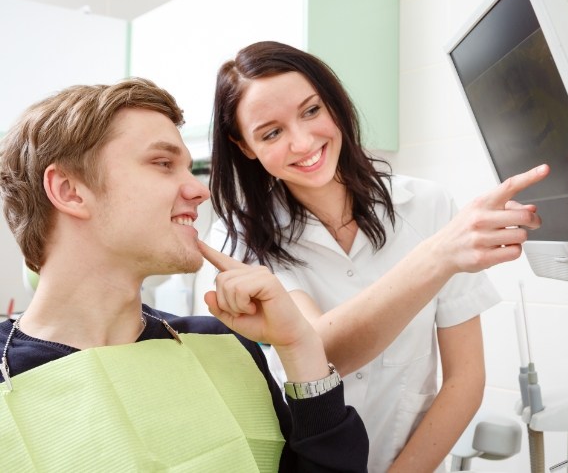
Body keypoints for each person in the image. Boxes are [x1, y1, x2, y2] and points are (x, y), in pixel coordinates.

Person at [205, 41, 550, 472]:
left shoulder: (427, 206)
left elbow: (465, 378)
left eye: (312, 111)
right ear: (245, 146)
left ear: (333, 103)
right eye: (271, 133)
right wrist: (439, 254)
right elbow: (321, 352)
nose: (302, 141)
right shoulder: (237, 236)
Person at [0, 77, 369, 472]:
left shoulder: (222, 346)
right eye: (162, 164)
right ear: (70, 190)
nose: (199, 191)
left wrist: (299, 346)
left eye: (189, 169)